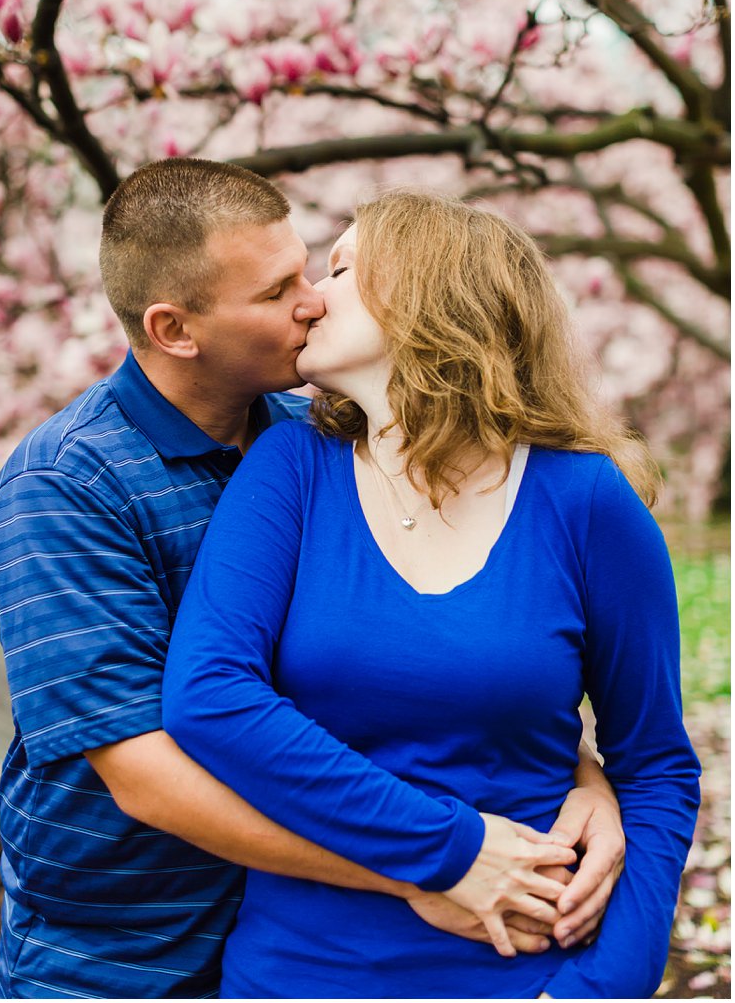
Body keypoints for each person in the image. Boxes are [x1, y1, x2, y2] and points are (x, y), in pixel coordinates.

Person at [0, 160, 624, 1000]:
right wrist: (426, 867)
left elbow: (416, 659)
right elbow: (145, 774)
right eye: (278, 288)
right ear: (176, 328)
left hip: (294, 931)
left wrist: (583, 778)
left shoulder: (319, 438)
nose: (314, 299)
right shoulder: (64, 487)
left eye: (309, 267)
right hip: (128, 952)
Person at [161, 188, 701, 999]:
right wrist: (449, 845)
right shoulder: (289, 470)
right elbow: (209, 696)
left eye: (340, 267)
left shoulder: (585, 502)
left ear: (426, 294)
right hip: (302, 973)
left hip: (527, 974)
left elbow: (656, 766)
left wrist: (598, 988)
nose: (309, 298)